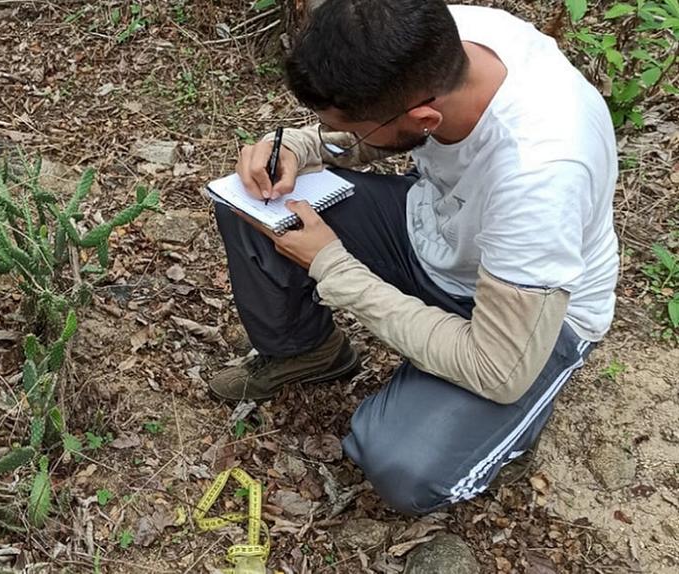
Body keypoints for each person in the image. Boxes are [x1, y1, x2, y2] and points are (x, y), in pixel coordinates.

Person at [211, 0, 619, 514]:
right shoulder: (431, 34)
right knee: (254, 208)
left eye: (354, 127)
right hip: (437, 228)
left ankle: (505, 432)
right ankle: (306, 352)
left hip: (530, 320)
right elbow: (370, 133)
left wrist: (334, 267)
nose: (345, 134)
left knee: (401, 464)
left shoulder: (540, 172)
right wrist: (298, 147)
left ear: (425, 116)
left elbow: (497, 367)